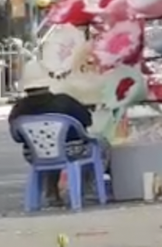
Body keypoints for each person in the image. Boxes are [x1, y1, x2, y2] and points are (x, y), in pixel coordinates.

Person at [7, 65, 99, 207]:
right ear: (47, 83)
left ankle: (51, 189)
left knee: (51, 148)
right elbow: (87, 120)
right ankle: (88, 188)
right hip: (71, 151)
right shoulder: (64, 101)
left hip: (35, 154)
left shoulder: (19, 109)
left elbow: (17, 137)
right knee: (99, 146)